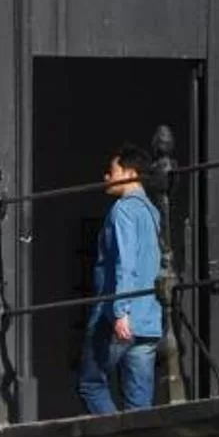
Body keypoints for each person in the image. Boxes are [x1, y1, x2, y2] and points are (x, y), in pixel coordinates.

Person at [76, 144, 164, 414]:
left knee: (91, 384)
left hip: (117, 317)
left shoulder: (123, 209)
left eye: (112, 171)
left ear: (130, 173)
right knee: (139, 405)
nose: (106, 177)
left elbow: (125, 262)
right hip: (148, 320)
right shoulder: (153, 212)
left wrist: (121, 311)